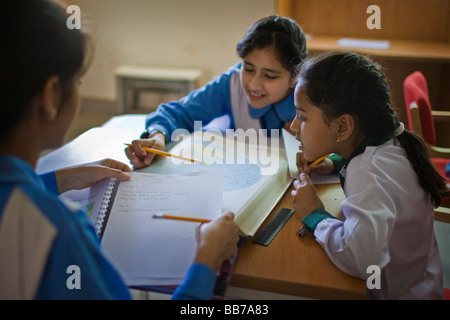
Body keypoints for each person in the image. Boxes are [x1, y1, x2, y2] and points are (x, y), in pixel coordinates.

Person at [0, 0, 239, 300]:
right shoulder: (56, 233)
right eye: (78, 81)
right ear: (50, 97)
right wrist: (206, 260)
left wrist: (58, 179)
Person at [290, 51, 449, 299]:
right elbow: (364, 158)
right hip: (422, 284)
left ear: (342, 126)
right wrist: (333, 162)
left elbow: (362, 257)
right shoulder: (392, 143)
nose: (293, 126)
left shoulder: (368, 172)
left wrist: (315, 215)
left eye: (302, 116)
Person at [125, 15, 308, 169]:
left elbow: (334, 148)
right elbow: (178, 113)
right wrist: (157, 136)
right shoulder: (231, 84)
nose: (253, 84)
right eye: (249, 68)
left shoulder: (311, 98)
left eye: (269, 76)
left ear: (295, 76)